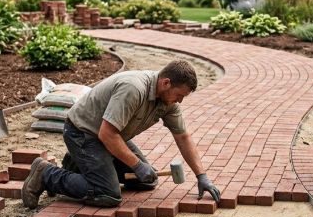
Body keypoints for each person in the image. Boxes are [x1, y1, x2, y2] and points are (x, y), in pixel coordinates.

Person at [22, 60, 220, 209]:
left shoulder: (168, 102)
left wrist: (202, 176)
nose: (180, 102)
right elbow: (107, 134)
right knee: (108, 194)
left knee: (146, 180)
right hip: (83, 133)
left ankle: (80, 165)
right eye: (180, 95)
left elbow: (183, 137)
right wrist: (136, 164)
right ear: (166, 83)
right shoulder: (133, 89)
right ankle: (46, 173)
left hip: (110, 137)